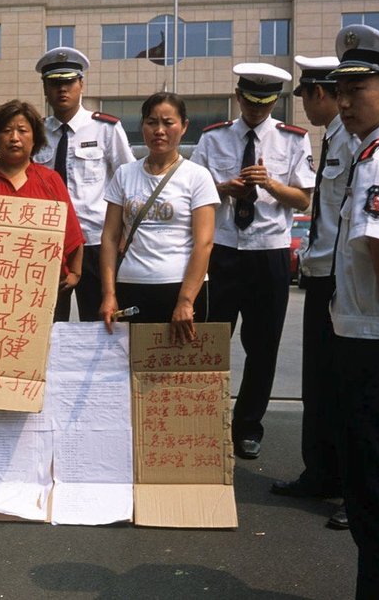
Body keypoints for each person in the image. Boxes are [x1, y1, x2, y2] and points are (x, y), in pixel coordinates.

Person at [190, 62, 315, 460]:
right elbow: (194, 187)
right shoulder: (214, 138)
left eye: (266, 102)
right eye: (251, 101)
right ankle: (204, 420)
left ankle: (248, 426)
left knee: (263, 347)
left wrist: (272, 185)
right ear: (239, 96)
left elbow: (304, 198)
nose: (257, 109)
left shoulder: (293, 140)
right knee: (209, 342)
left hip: (269, 252)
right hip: (223, 250)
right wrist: (223, 187)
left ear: (274, 101)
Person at [270, 56, 360, 531]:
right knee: (319, 382)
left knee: (348, 387)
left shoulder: (360, 139)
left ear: (321, 94)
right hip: (322, 271)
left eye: (306, 95)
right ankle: (321, 471)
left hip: (344, 278)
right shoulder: (337, 136)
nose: (305, 104)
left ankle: (353, 485)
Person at [327, 23, 379, 598]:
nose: (344, 102)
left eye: (358, 89)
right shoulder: (369, 149)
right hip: (361, 330)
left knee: (371, 485)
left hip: (373, 344)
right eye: (341, 91)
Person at [98, 92, 219, 343]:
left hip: (179, 288)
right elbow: (110, 237)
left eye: (168, 122)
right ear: (142, 126)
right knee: (130, 372)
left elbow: (204, 243)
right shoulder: (124, 174)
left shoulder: (198, 176)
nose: (159, 130)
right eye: (152, 122)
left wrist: (186, 301)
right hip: (131, 286)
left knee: (179, 375)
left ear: (184, 126)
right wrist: (109, 294)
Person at [32, 47, 135, 322]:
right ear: (45, 88)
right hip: (48, 244)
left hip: (96, 242)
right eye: (54, 83)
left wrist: (125, 234)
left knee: (102, 322)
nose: (62, 90)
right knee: (46, 325)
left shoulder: (106, 128)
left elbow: (129, 182)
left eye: (68, 82)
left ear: (81, 84)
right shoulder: (35, 133)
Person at [0, 99, 84, 303]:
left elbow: (72, 233)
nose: (14, 138)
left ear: (35, 138)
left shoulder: (50, 181)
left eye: (22, 130)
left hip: (45, 288)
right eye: (6, 130)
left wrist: (75, 273)